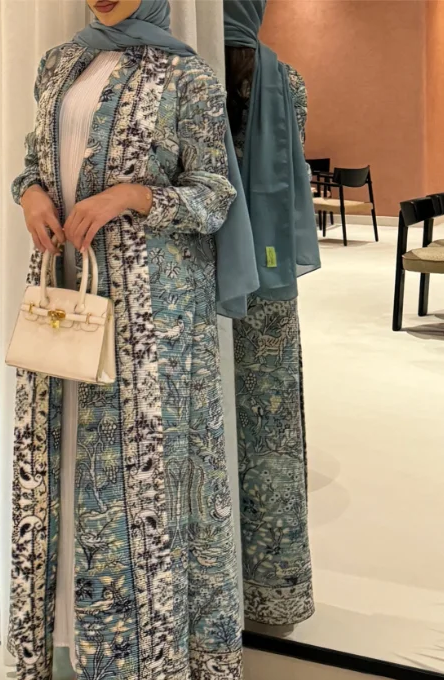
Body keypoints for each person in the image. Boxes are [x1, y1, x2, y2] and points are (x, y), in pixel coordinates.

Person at [10, 0, 257, 680]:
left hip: (154, 322)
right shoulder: (60, 62)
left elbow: (214, 194)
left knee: (128, 508)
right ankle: (89, 677)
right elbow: (32, 161)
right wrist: (30, 195)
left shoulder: (185, 74)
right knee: (69, 496)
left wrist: (127, 197)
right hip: (69, 303)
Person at [223, 0, 320, 627]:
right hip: (269, 279)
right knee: (269, 434)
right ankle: (274, 587)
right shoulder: (289, 85)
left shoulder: (184, 77)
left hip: (197, 279)